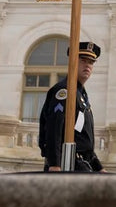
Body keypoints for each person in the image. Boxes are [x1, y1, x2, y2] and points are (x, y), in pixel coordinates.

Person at [38, 41, 103, 172]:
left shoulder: (82, 95)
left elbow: (83, 139)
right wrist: (54, 164)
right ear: (72, 62)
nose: (87, 65)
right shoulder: (64, 91)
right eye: (83, 60)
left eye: (91, 62)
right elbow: (54, 128)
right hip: (65, 164)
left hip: (81, 164)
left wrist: (99, 167)